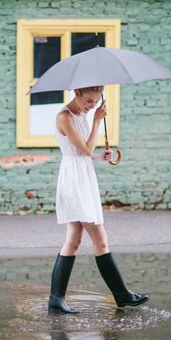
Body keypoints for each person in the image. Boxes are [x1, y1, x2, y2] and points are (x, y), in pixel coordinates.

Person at [48, 86, 149, 314]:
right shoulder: (64, 117)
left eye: (95, 102)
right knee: (100, 239)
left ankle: (56, 299)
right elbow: (84, 149)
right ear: (77, 93)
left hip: (82, 175)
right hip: (74, 180)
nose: (91, 106)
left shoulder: (83, 114)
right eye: (88, 101)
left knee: (73, 240)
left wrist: (98, 157)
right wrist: (95, 121)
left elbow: (85, 153)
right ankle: (122, 294)